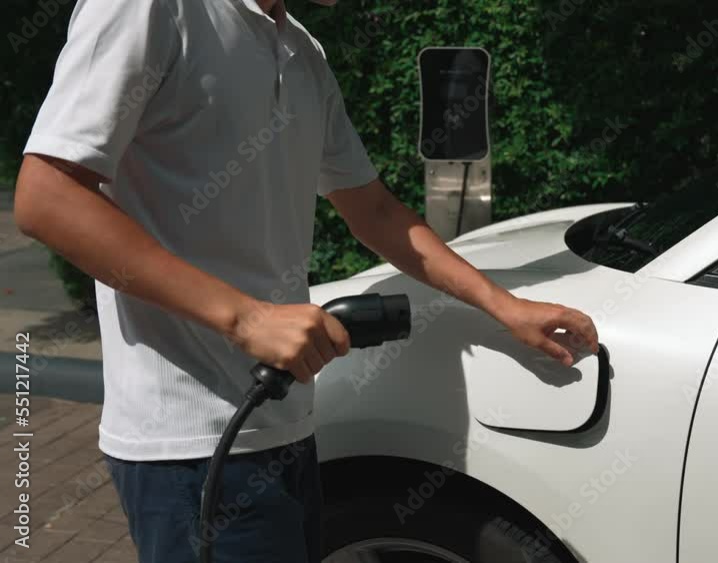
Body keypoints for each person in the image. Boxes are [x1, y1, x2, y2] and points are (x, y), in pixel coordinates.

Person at [12, 0, 599, 561]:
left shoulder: (301, 49)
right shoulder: (153, 9)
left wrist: (506, 306)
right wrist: (247, 318)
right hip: (189, 449)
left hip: (285, 427)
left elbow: (373, 210)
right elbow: (47, 198)